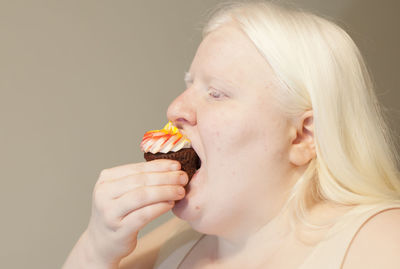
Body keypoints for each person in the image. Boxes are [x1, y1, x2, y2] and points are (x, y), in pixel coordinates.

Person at [62, 1, 400, 268]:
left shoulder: (384, 243)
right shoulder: (175, 242)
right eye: (189, 85)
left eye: (216, 93)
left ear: (303, 135)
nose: (175, 108)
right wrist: (94, 250)